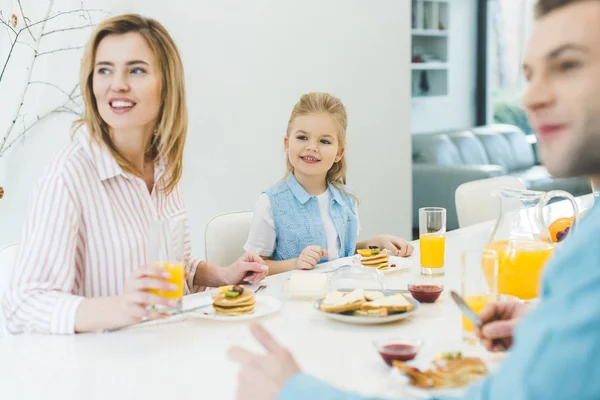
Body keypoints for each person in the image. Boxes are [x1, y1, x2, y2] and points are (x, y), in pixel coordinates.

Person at [229, 0, 600, 398]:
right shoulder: (586, 241)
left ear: (339, 151)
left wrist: (294, 391)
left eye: (568, 65)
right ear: (287, 144)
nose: (530, 97)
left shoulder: (586, 254)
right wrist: (543, 323)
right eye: (528, 74)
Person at [1, 14, 267, 335]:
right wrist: (122, 307)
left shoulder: (165, 167)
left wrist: (221, 276)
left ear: (166, 85)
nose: (118, 84)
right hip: (99, 371)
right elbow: (23, 304)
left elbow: (171, 264)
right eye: (105, 70)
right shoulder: (67, 178)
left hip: (164, 349)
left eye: (136, 69)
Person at [243, 92, 413, 275]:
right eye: (302, 137)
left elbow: (340, 255)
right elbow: (253, 267)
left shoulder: (346, 199)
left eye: (324, 141)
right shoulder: (270, 203)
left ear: (339, 153)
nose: (312, 147)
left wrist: (377, 242)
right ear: (287, 143)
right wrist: (296, 263)